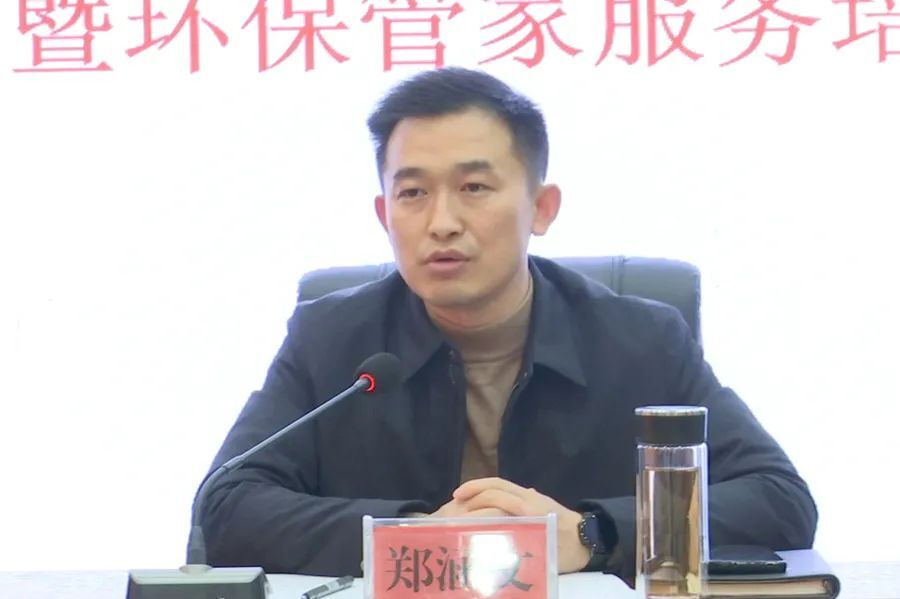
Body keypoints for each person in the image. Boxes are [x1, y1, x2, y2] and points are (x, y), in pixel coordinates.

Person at [196, 67, 817, 583]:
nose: (442, 222)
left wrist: (591, 533)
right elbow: (227, 504)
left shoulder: (641, 340)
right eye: (413, 194)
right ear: (385, 214)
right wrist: (413, 535)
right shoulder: (331, 338)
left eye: (473, 187)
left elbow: (779, 498)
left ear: (541, 208)